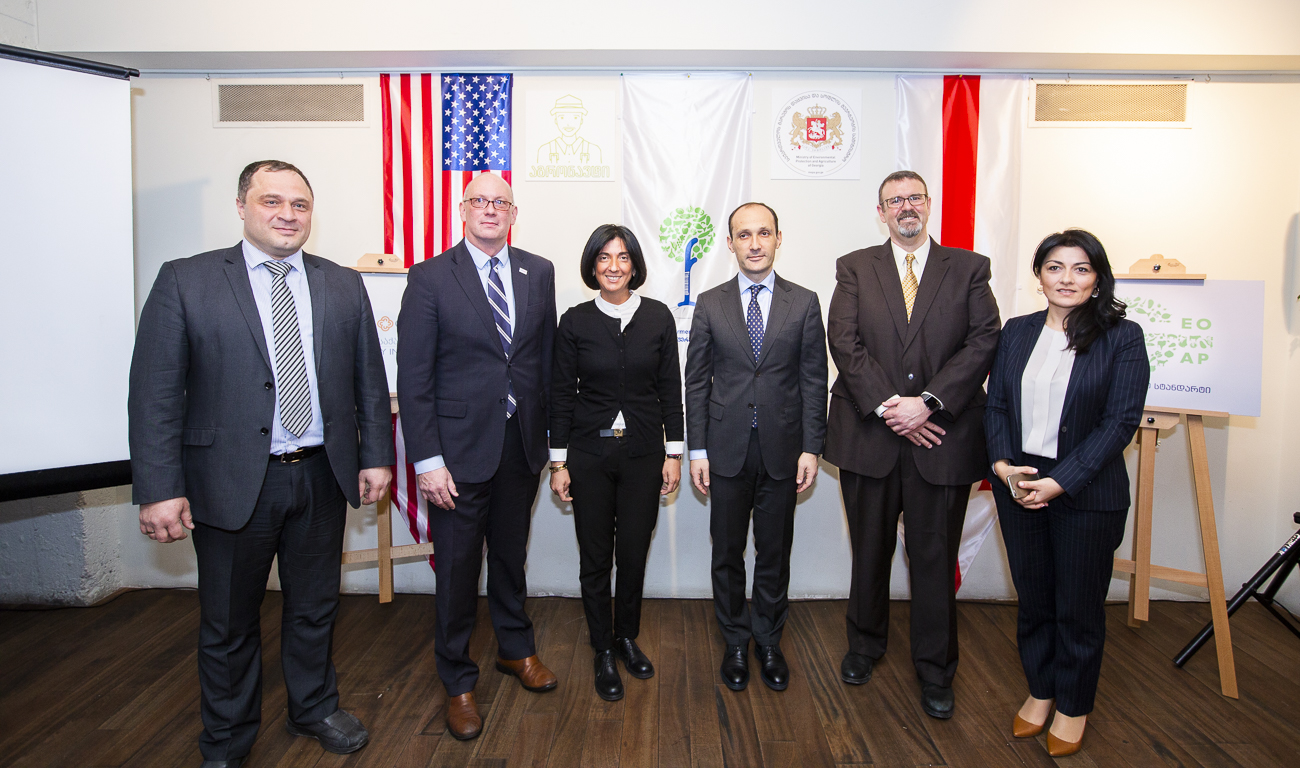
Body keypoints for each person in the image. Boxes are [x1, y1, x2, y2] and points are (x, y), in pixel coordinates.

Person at [129, 160, 394, 768]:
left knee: (314, 607)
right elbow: (155, 393)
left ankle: (314, 707)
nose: (287, 214)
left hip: (322, 475)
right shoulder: (186, 280)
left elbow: (369, 380)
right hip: (229, 480)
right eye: (271, 201)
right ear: (242, 207)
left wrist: (376, 456)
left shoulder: (341, 284)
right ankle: (226, 739)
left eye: (299, 204)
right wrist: (159, 488)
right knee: (228, 621)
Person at [824, 170, 1001, 719]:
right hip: (869, 436)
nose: (906, 207)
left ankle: (935, 669)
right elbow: (844, 340)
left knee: (934, 557)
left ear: (929, 205)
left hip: (942, 436)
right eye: (894, 200)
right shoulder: (855, 267)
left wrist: (927, 403)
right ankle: (864, 646)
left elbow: (984, 340)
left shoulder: (968, 268)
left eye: (914, 198)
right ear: (881, 212)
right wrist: (890, 407)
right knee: (869, 551)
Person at [396, 172, 558, 741]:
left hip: (520, 445)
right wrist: (426, 461)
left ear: (514, 214)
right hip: (456, 455)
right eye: (479, 201)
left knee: (511, 558)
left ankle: (515, 650)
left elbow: (543, 361)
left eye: (501, 202)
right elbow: (414, 377)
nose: (490, 209)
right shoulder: (430, 276)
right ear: (462, 210)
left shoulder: (538, 271)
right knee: (458, 570)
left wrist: (551, 444)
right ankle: (458, 680)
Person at [985, 229, 1148, 757]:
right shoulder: (1017, 331)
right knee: (1034, 600)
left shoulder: (1123, 337)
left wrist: (1059, 482)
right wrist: (1003, 466)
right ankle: (1041, 690)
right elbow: (997, 404)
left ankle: (1074, 705)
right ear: (1040, 276)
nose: (1067, 279)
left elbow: (1119, 422)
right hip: (1020, 483)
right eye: (1055, 268)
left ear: (1097, 278)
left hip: (1086, 490)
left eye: (1081, 269)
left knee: (1078, 607)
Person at [685, 202, 828, 692]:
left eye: (763, 233)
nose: (754, 243)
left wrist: (811, 447)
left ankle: (768, 640)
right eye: (743, 235)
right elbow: (696, 382)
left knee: (774, 552)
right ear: (730, 244)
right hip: (724, 450)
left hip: (783, 450)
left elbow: (814, 380)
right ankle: (734, 641)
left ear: (778, 238)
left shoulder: (804, 302)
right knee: (727, 552)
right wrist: (697, 451)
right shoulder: (710, 303)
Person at [548, 224, 684, 701]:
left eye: (623, 257)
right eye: (604, 257)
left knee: (632, 553)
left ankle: (626, 637)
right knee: (594, 558)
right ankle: (601, 648)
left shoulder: (659, 317)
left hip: (644, 454)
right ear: (592, 265)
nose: (613, 266)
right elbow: (561, 395)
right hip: (588, 456)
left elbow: (670, 390)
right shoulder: (575, 321)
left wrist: (674, 452)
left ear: (635, 265)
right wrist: (558, 463)